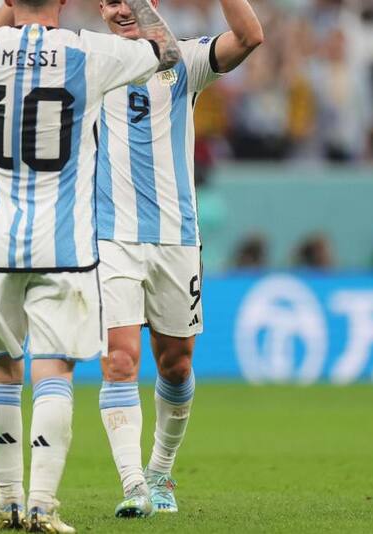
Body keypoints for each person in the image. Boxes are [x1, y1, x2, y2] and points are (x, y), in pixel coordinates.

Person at [0, 1, 180, 531]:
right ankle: (41, 505)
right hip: (64, 247)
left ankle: (7, 501)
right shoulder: (91, 52)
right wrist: (139, 4)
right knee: (54, 370)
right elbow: (166, 52)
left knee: (0, 368)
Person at [93, 0, 262, 518]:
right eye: (108, 1)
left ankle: (161, 471)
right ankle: (132, 486)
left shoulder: (185, 62)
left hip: (176, 240)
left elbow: (250, 35)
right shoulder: (88, 60)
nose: (120, 9)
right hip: (111, 238)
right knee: (120, 361)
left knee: (176, 363)